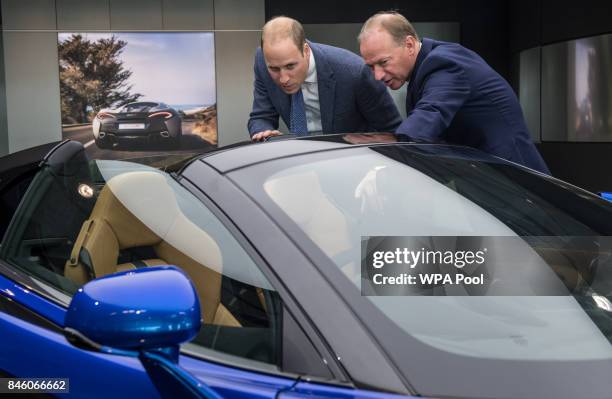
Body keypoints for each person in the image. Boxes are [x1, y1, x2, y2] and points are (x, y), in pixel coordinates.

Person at [358, 11, 550, 174]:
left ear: (409, 45)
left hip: (518, 183)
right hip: (490, 182)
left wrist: (382, 167)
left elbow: (429, 116)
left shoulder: (444, 64)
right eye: (371, 67)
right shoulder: (423, 71)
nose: (377, 76)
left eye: (383, 62)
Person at [248, 16, 401, 141]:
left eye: (290, 66)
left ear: (306, 51)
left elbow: (391, 130)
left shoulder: (354, 72)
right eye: (274, 69)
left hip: (353, 163)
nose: (283, 78)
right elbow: (261, 116)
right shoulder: (262, 61)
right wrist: (263, 133)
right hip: (299, 161)